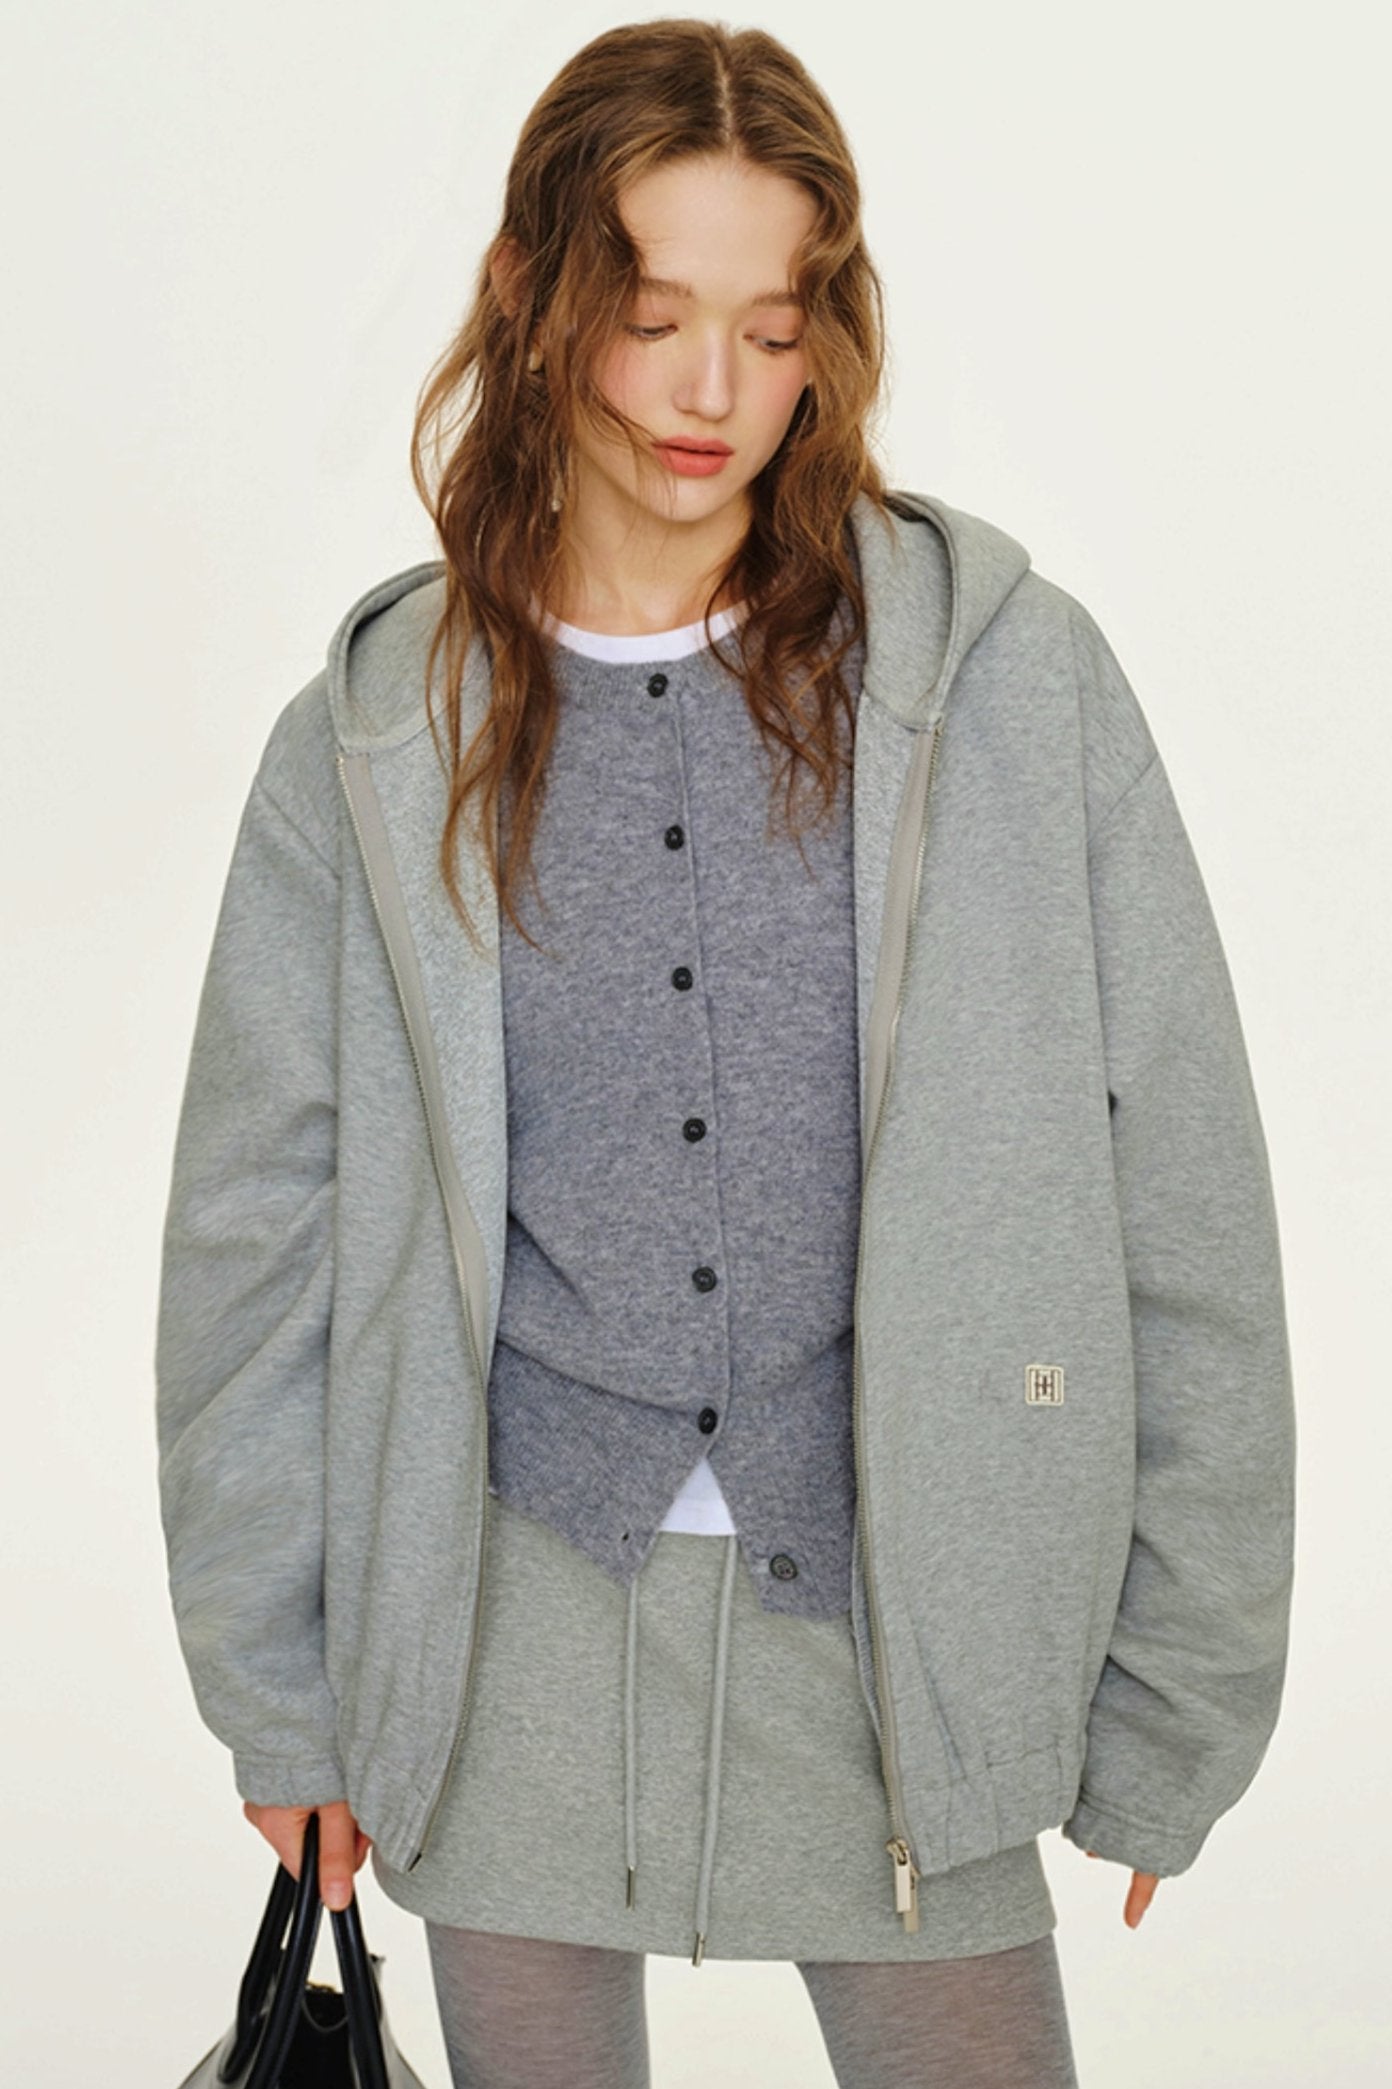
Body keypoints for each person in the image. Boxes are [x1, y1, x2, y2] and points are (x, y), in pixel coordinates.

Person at [154, 19, 1297, 2087]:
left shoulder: (1001, 687)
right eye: (653, 314)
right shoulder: (376, 737)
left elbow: (1184, 1195)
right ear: (531, 294)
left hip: (899, 1638)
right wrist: (281, 1695)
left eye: (770, 331)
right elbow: (255, 1249)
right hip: (497, 1646)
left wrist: (1182, 1688)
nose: (712, 393)